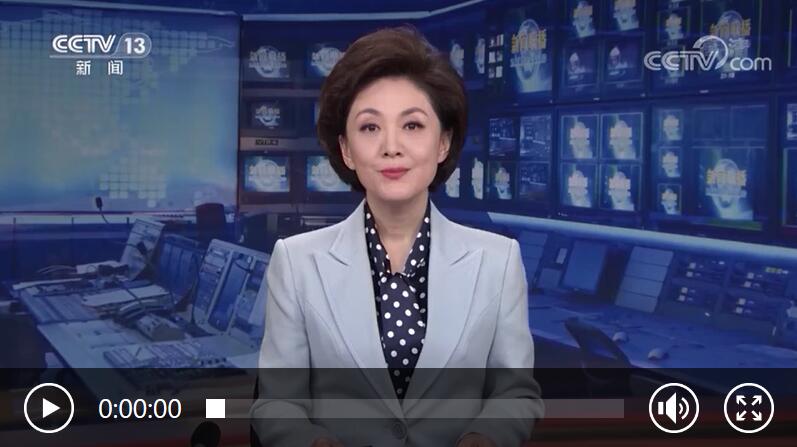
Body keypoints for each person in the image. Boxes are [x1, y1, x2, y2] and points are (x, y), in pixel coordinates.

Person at [251, 26, 543, 447]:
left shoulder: (498, 261)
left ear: (443, 143)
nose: (391, 146)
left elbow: (516, 395)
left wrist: (486, 436)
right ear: (346, 149)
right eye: (370, 128)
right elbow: (276, 403)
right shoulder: (296, 262)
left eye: (412, 125)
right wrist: (309, 441)